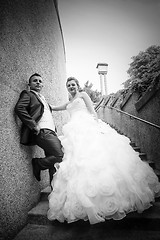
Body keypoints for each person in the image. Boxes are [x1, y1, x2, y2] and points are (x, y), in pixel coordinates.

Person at [47, 76, 160, 224]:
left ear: (77, 85)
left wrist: (96, 125)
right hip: (74, 132)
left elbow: (92, 110)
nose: (71, 87)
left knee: (97, 155)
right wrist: (47, 105)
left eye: (73, 84)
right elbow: (57, 107)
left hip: (87, 127)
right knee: (78, 161)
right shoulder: (69, 102)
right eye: (68, 85)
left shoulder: (83, 95)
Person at [15, 73, 63, 184]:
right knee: (60, 156)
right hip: (42, 131)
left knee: (53, 163)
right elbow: (20, 108)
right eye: (35, 80)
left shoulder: (43, 99)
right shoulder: (28, 94)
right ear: (29, 84)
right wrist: (33, 125)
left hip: (51, 132)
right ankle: (38, 163)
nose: (38, 82)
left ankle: (54, 192)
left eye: (40, 81)